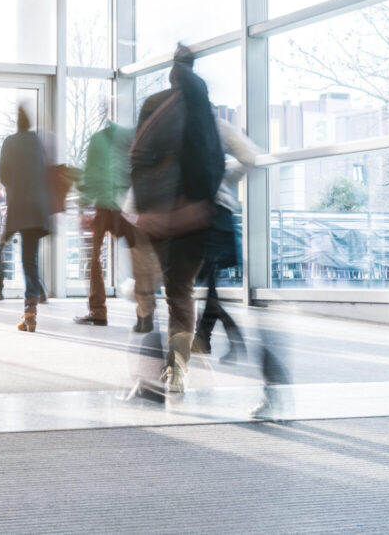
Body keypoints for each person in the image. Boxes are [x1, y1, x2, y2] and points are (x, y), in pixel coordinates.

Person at [128, 44, 224, 394]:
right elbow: (216, 161)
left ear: (172, 71)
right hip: (197, 219)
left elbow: (137, 158)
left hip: (162, 217)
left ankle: (155, 343)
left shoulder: (155, 105)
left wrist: (146, 209)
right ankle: (178, 369)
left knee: (161, 289)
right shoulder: (205, 109)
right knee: (180, 294)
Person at [191, 118, 261, 364]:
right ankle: (205, 339)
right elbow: (249, 155)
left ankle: (219, 339)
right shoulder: (216, 125)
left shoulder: (181, 123)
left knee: (204, 282)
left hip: (193, 214)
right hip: (217, 212)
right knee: (208, 283)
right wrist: (225, 180)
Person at [73, 120, 133, 326]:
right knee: (138, 253)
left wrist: (83, 207)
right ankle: (146, 310)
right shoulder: (130, 137)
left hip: (104, 208)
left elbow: (92, 174)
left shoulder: (99, 139)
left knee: (94, 259)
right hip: (126, 206)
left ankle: (98, 310)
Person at [0, 105, 51, 333]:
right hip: (38, 208)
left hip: (20, 206)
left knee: (26, 259)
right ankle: (33, 304)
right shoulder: (37, 142)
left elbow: (3, 174)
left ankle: (30, 313)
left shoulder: (10, 142)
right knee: (31, 258)